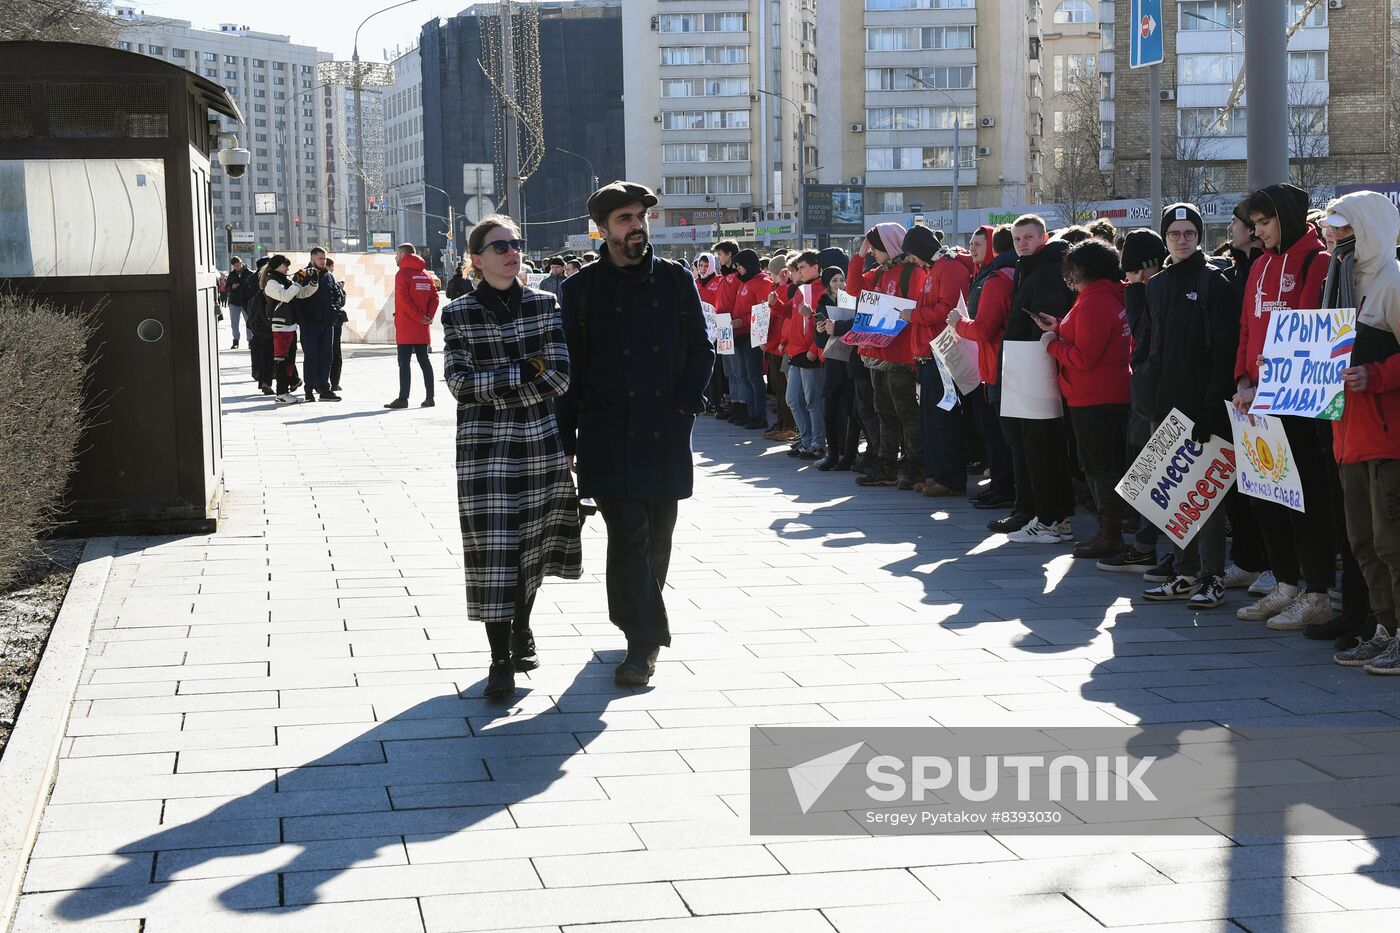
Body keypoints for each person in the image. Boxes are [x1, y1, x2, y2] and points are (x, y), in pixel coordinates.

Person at [556, 182, 714, 687]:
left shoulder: (674, 279)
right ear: (602, 231)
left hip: (664, 431)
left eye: (641, 217)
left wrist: (685, 406)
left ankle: (632, 621)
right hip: (605, 432)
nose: (637, 226)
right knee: (629, 535)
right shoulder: (580, 290)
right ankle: (643, 643)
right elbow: (570, 370)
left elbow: (701, 349)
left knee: (657, 539)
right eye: (625, 219)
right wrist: (566, 442)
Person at [440, 215, 583, 699]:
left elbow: (560, 377)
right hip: (483, 453)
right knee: (492, 554)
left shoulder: (545, 304)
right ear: (477, 260)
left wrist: (499, 381)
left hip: (541, 447)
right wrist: (525, 369)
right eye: (499, 246)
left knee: (533, 548)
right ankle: (500, 657)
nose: (511, 252)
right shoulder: (457, 312)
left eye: (515, 243)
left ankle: (523, 626)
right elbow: (459, 385)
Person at [1232, 184, 1336, 630]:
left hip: (1300, 403)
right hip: (1256, 401)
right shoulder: (1258, 265)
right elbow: (1245, 330)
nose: (1259, 231)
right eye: (1254, 224)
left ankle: (1317, 592)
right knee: (1266, 498)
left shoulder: (1319, 262)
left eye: (1266, 221)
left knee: (1305, 499)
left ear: (1288, 217)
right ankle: (1286, 582)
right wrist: (1241, 380)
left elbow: (1319, 336)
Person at [1133, 206, 1240, 607]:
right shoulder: (1157, 284)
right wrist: (1142, 378)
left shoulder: (1215, 281)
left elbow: (1224, 349)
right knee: (1171, 493)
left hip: (1203, 404)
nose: (1182, 239)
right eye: (1175, 233)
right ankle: (1183, 571)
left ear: (1199, 235)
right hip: (1165, 403)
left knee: (1205, 496)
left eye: (1189, 232)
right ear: (1165, 237)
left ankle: (1211, 575)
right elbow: (1151, 341)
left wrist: (1213, 404)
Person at [1323, 192, 1400, 671]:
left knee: (1392, 543)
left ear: (1367, 228)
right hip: (1348, 436)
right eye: (1332, 229)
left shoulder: (1393, 281)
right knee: (1364, 543)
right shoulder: (1340, 280)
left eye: (1343, 228)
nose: (1334, 237)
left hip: (1387, 438)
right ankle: (1386, 628)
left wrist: (1377, 376)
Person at [1031, 238, 1133, 561]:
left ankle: (1109, 533)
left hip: (1093, 396)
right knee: (1108, 463)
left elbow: (1085, 356)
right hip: (1111, 391)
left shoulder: (1093, 301)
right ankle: (1112, 529)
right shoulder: (1108, 297)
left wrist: (1052, 344)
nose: (1069, 275)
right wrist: (1060, 327)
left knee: (1098, 466)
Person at [999, 215, 1077, 543]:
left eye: (1028, 237)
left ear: (1042, 237)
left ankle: (1048, 519)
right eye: (1017, 239)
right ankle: (1053, 517)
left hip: (1035, 364)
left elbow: (1046, 319)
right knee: (1042, 446)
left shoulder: (1045, 269)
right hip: (1030, 362)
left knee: (1040, 446)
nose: (1022, 244)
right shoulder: (1033, 267)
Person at [847, 223, 927, 489]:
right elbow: (853, 289)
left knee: (906, 413)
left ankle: (915, 466)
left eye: (876, 248)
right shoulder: (879, 273)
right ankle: (886, 466)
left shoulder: (912, 273)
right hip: (878, 354)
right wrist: (858, 257)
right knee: (884, 412)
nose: (873, 253)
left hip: (901, 355)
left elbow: (915, 309)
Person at [904, 225, 977, 497]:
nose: (911, 259)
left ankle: (950, 478)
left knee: (943, 420)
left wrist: (913, 316)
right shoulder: (934, 269)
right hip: (930, 354)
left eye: (911, 253)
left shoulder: (950, 268)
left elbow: (948, 310)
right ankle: (936, 474)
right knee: (930, 421)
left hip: (945, 354)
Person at [950, 225, 1018, 511]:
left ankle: (1003, 488)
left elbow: (984, 327)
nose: (973, 248)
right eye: (971, 243)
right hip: (990, 363)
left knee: (997, 433)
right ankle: (1002, 486)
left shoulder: (997, 278)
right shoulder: (985, 275)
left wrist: (958, 324)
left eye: (979, 243)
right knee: (993, 431)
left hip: (996, 364)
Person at [780, 255, 825, 458]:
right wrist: (774, 304)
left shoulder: (821, 289)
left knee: (812, 401)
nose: (799, 271)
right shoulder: (800, 290)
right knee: (793, 400)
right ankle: (807, 440)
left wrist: (814, 350)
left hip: (808, 353)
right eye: (798, 268)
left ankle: (817, 443)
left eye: (803, 267)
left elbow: (824, 322)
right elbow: (790, 313)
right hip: (796, 352)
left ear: (816, 267)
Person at [385, 243, 441, 410]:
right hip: (422, 327)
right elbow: (435, 298)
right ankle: (430, 398)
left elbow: (403, 300)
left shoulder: (402, 274)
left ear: (403, 255)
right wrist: (427, 317)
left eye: (396, 254)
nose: (395, 257)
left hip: (407, 326)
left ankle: (403, 398)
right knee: (424, 361)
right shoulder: (425, 274)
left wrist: (419, 317)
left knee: (404, 362)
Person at [261, 254, 318, 405]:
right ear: (277, 266)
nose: (287, 268)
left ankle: (284, 392)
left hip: (290, 325)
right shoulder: (271, 281)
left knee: (289, 361)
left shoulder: (284, 280)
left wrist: (313, 282)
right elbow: (285, 296)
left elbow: (301, 294)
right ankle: (281, 393)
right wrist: (297, 282)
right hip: (280, 327)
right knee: (282, 361)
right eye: (285, 265)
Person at [729, 249, 771, 429]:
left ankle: (759, 415)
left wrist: (743, 321)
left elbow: (763, 311)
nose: (738, 270)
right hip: (742, 334)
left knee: (754, 377)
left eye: (740, 266)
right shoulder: (746, 281)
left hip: (753, 335)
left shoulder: (762, 281)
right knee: (745, 376)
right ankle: (751, 412)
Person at [295, 247, 341, 402]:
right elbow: (295, 295)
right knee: (311, 357)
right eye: (320, 258)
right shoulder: (302, 273)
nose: (323, 261)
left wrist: (335, 308)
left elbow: (337, 295)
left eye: (325, 258)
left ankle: (324, 388)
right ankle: (309, 390)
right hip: (309, 324)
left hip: (327, 323)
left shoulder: (329, 276)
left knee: (327, 357)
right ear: (312, 258)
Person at [225, 256, 258, 351]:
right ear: (233, 266)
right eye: (235, 266)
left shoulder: (249, 273)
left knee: (249, 321)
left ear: (241, 263)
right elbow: (226, 289)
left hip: (246, 302)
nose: (237, 267)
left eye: (238, 265)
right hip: (234, 302)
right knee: (234, 323)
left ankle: (250, 341)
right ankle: (235, 341)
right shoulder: (231, 275)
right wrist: (232, 287)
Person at [325, 257, 348, 393]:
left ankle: (323, 382)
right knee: (335, 352)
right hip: (333, 320)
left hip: (322, 321)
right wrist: (340, 289)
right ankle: (334, 383)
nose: (333, 270)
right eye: (332, 267)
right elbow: (340, 301)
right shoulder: (330, 280)